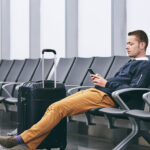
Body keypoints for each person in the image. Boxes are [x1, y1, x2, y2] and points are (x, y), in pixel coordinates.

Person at [1, 30, 150, 150]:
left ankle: (19, 140)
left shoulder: (144, 65)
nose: (127, 46)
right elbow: (119, 83)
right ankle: (26, 144)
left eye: (131, 43)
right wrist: (103, 81)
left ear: (142, 45)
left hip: (108, 98)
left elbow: (134, 90)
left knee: (59, 108)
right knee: (53, 106)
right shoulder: (131, 63)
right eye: (127, 43)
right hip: (98, 92)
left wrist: (106, 83)